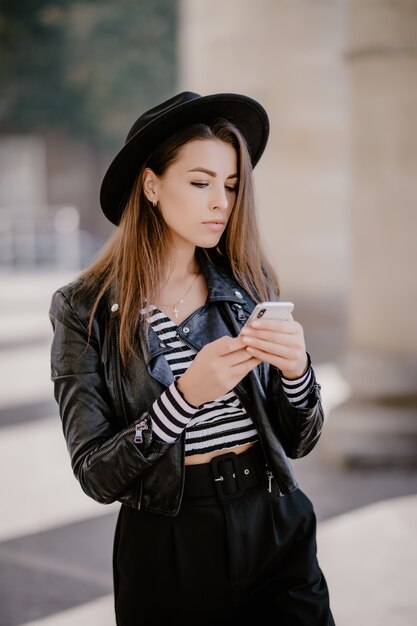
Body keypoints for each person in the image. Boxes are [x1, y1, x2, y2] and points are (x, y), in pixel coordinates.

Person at [49, 91, 335, 626]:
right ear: (152, 185)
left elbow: (298, 440)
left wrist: (297, 373)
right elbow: (95, 474)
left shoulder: (249, 285)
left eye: (230, 186)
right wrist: (184, 398)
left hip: (274, 524)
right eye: (201, 182)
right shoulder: (83, 309)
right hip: (169, 543)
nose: (221, 203)